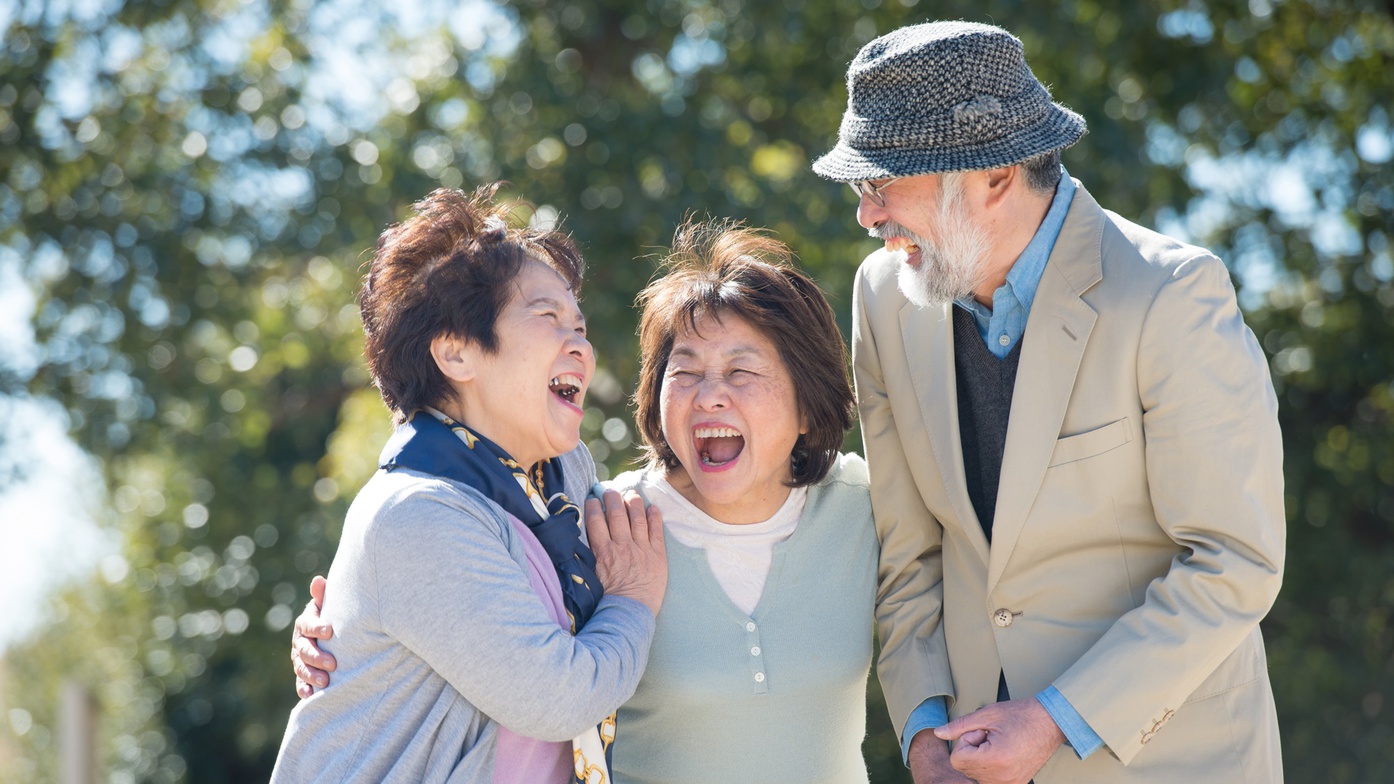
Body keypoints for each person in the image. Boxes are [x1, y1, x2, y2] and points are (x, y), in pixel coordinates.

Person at [811, 20, 1285, 784]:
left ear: (995, 177)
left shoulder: (1172, 296)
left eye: (883, 182)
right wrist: (923, 727)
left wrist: (1056, 718)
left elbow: (1235, 563)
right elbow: (909, 554)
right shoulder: (883, 297)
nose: (867, 214)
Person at [291, 220, 880, 783]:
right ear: (456, 354)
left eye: (742, 370)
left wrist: (353, 630)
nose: (711, 396)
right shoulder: (609, 526)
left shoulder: (561, 490)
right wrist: (344, 633)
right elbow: (553, 692)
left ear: (809, 405)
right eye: (686, 370)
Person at [269, 185, 667, 784]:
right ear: (456, 353)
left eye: (580, 326)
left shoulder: (566, 474)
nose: (580, 344)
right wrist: (633, 599)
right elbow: (557, 696)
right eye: (548, 317)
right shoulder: (416, 514)